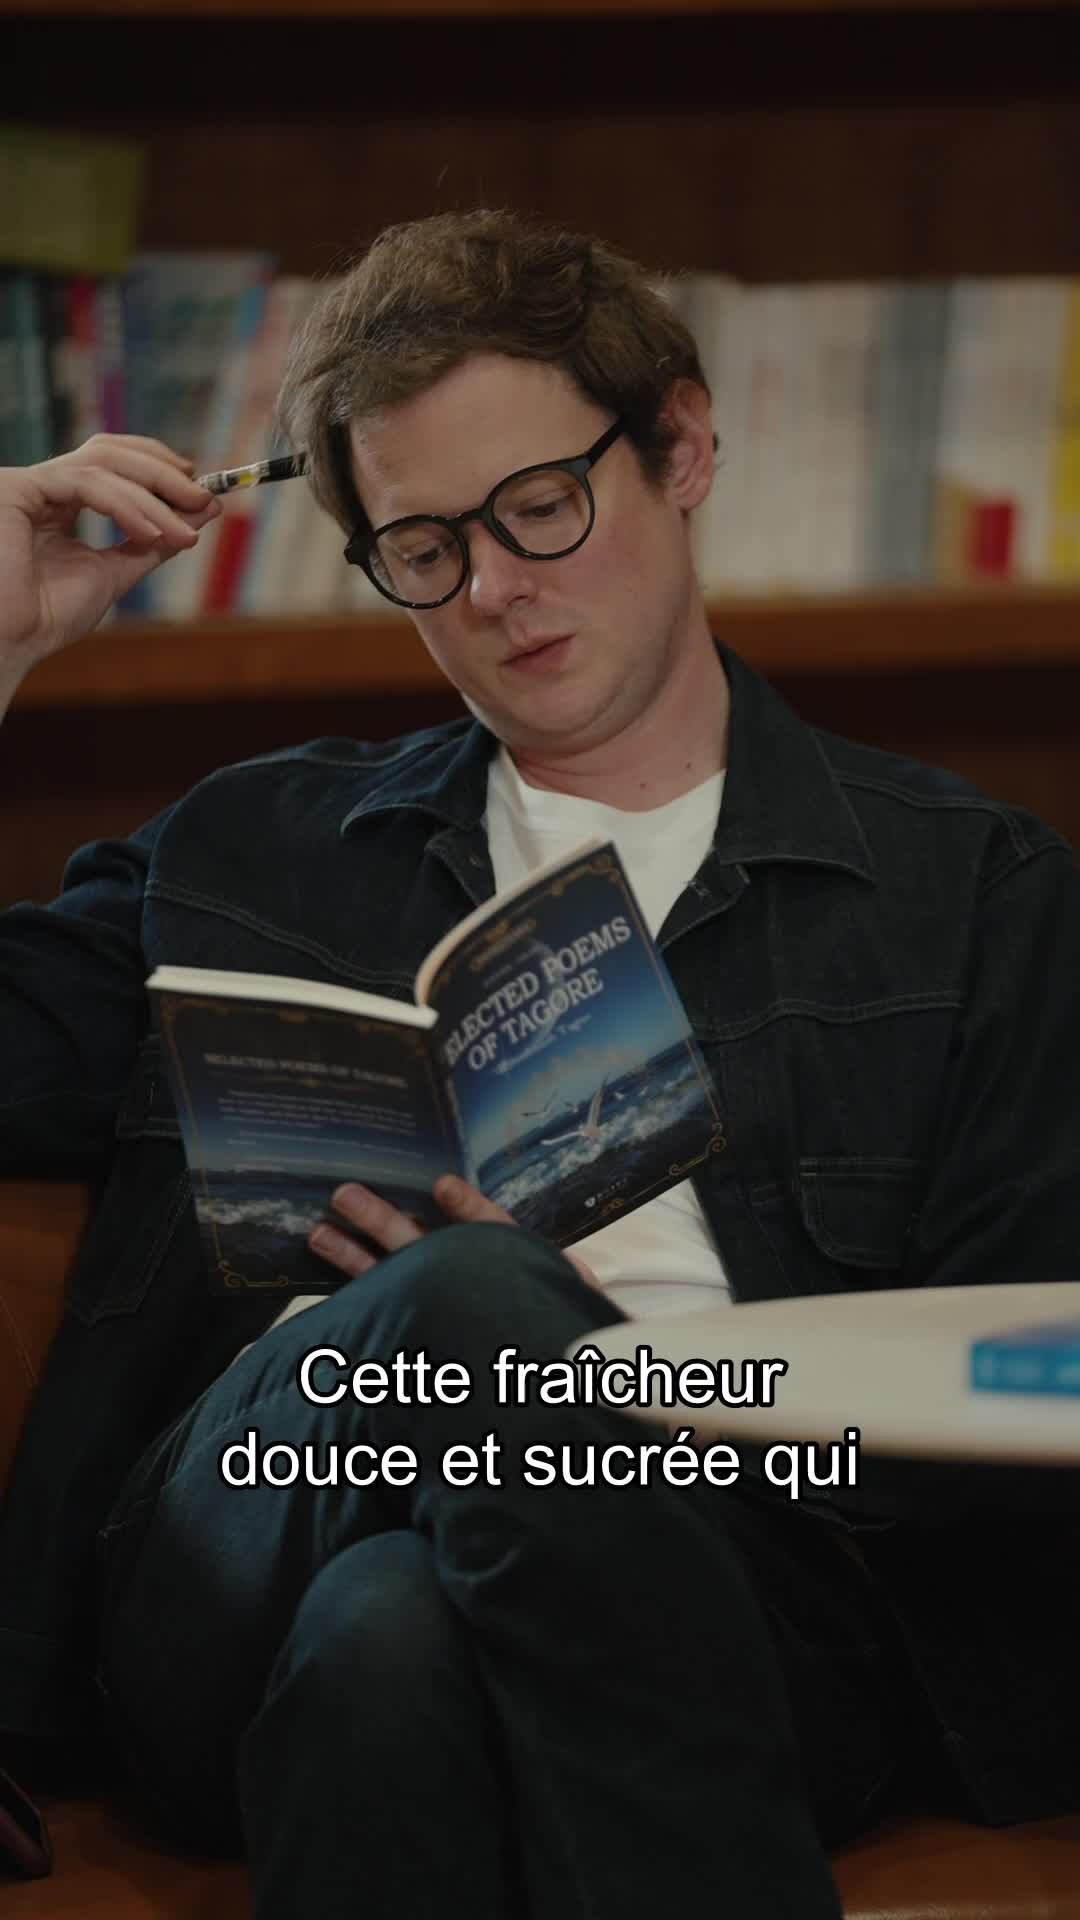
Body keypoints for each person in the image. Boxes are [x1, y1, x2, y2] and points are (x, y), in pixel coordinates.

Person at [0, 207, 1078, 1918]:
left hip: (761, 1584)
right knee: (462, 1300)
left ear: (682, 448)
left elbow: (1022, 1384)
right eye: (424, 548)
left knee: (389, 1645)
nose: (496, 589)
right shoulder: (246, 853)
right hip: (256, 1524)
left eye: (538, 507)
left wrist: (651, 1394)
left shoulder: (974, 897)